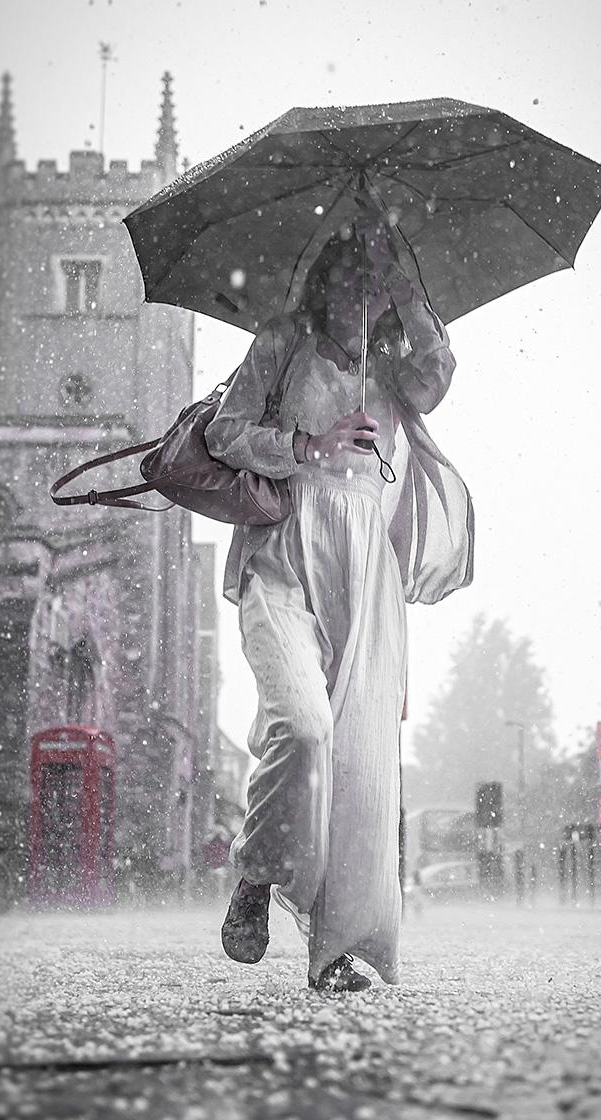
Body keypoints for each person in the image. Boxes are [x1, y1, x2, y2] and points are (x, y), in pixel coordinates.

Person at [205, 213, 473, 993]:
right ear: (322, 282)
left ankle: (335, 953)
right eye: (348, 278)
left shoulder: (396, 369)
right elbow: (225, 431)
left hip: (367, 577)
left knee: (360, 768)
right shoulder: (281, 341)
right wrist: (307, 448)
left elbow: (439, 376)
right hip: (283, 559)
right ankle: (256, 879)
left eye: (373, 284)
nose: (359, 294)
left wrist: (408, 289)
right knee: (306, 727)